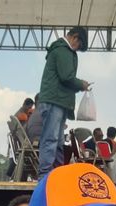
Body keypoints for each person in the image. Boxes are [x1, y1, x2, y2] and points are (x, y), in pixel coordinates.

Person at [37, 27, 91, 178]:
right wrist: (81, 84)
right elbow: (66, 77)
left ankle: (55, 174)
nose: (77, 48)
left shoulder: (60, 50)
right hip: (55, 100)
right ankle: (45, 176)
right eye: (79, 45)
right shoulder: (63, 51)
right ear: (75, 37)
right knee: (52, 139)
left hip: (57, 100)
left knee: (58, 141)